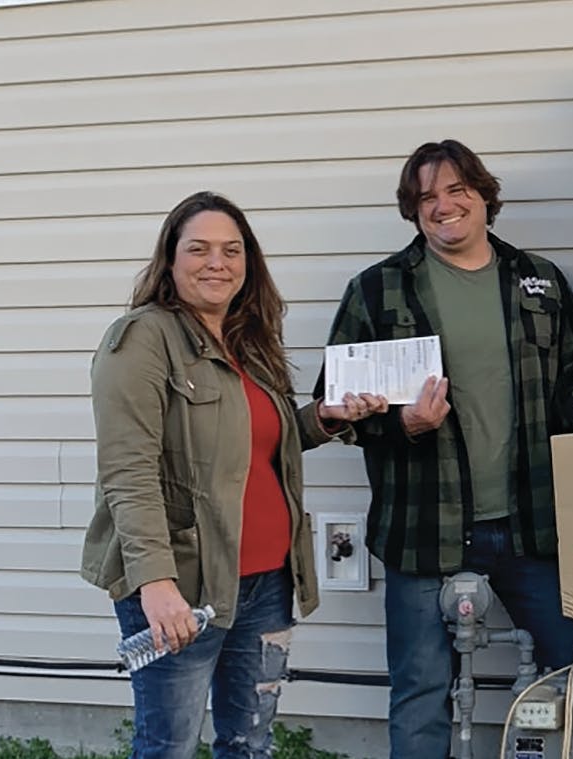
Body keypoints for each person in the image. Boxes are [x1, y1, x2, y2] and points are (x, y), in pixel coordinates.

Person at [317, 139, 573, 759]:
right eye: (426, 197)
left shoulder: (538, 280)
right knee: (420, 694)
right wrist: (403, 424)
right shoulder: (378, 291)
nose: (443, 206)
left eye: (456, 190)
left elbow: (572, 377)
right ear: (413, 211)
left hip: (532, 525)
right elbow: (333, 408)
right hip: (423, 529)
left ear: (484, 197)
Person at [80, 191, 386, 758]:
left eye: (231, 250)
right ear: (170, 260)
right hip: (185, 584)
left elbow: (258, 444)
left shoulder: (249, 341)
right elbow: (128, 471)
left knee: (249, 744)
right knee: (168, 745)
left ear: (248, 264)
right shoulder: (143, 339)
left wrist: (323, 418)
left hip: (268, 582)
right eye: (199, 249)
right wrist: (155, 584)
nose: (216, 262)